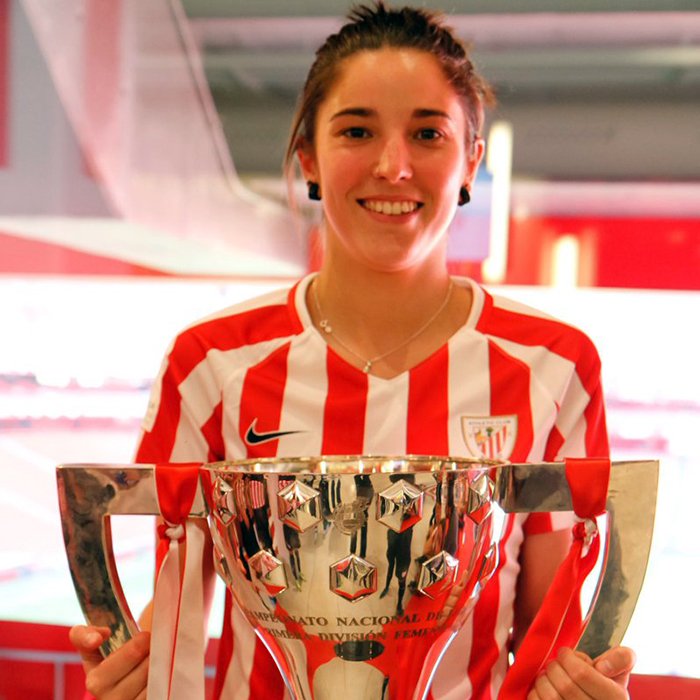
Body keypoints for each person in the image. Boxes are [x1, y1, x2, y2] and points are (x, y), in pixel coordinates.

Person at [70, 3, 637, 698]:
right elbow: (177, 617)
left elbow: (551, 631)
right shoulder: (211, 364)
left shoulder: (553, 364)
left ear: (470, 162)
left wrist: (580, 687)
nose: (393, 166)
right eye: (357, 131)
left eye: (428, 134)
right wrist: (134, 678)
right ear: (309, 155)